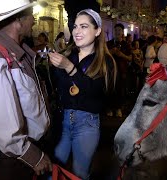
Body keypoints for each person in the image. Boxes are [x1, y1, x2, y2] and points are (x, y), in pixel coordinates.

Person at [0, 0, 52, 179]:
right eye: (32, 15)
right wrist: (32, 156)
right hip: (12, 160)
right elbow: (2, 122)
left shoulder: (16, 52)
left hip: (23, 154)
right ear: (18, 21)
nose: (34, 20)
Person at [48, 9, 116, 179]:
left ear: (98, 31)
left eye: (84, 26)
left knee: (80, 174)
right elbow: (59, 88)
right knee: (52, 171)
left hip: (87, 124)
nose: (77, 31)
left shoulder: (105, 61)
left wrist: (69, 69)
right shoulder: (68, 56)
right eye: (75, 26)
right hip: (62, 121)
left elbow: (96, 92)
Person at [107, 23, 132, 117]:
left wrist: (121, 55)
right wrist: (110, 52)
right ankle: (109, 108)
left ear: (122, 32)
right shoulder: (108, 44)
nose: (117, 32)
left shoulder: (126, 45)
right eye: (116, 30)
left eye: (119, 30)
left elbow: (130, 58)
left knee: (120, 89)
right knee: (109, 89)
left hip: (122, 71)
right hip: (110, 70)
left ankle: (118, 108)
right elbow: (102, 56)